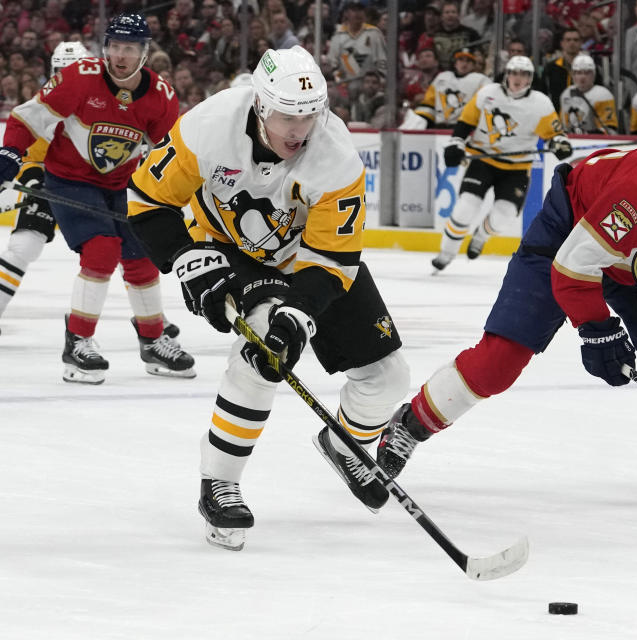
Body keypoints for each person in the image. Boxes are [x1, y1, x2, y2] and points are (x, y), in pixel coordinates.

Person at [377, 103, 637, 506]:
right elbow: (575, 265)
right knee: (500, 361)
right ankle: (409, 424)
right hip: (568, 237)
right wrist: (597, 328)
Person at [125, 46, 410, 551]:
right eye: (286, 115)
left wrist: (299, 316)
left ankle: (344, 443)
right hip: (228, 248)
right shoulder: (209, 126)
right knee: (259, 354)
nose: (298, 129)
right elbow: (148, 201)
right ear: (259, 105)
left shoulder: (336, 156)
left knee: (388, 376)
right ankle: (220, 482)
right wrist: (185, 257)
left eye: (308, 114)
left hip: (307, 255)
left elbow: (333, 261)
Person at [0, 13, 194, 384]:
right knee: (102, 249)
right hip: (69, 180)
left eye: (130, 48)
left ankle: (154, 341)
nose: (121, 56)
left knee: (140, 253)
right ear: (106, 48)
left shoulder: (161, 97)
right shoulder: (79, 78)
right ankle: (79, 341)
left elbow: (171, 155)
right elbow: (28, 118)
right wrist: (10, 154)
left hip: (124, 184)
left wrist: (178, 195)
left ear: (144, 52)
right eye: (115, 47)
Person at [431, 55, 572, 271]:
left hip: (516, 168)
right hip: (483, 159)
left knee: (504, 215)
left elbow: (555, 134)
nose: (518, 78)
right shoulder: (488, 93)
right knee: (465, 206)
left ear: (530, 78)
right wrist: (456, 143)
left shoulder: (541, 103)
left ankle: (481, 236)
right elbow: (466, 121)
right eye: (514, 72)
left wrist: (559, 144)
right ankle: (446, 252)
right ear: (507, 74)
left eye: (523, 74)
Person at [0, 42, 89, 330]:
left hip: (94, 187)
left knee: (124, 252)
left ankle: (153, 325)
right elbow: (30, 155)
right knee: (23, 246)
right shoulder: (45, 102)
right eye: (63, 71)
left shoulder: (103, 102)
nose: (68, 76)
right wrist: (32, 178)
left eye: (74, 70)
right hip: (50, 181)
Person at [414, 48, 490, 128]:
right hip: (439, 128)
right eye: (461, 60)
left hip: (466, 129)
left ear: (473, 65)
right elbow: (428, 103)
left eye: (468, 61)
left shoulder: (482, 80)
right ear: (455, 63)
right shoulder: (442, 77)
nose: (464, 64)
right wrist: (421, 122)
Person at [327, 1, 387, 98]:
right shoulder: (338, 36)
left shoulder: (374, 33)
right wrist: (339, 79)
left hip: (369, 84)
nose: (358, 13)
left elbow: (382, 62)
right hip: (345, 84)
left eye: (361, 10)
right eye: (354, 10)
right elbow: (332, 64)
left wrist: (380, 80)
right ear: (346, 13)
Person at [558, 53, 617, 134]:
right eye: (578, 73)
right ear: (573, 75)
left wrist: (587, 134)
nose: (582, 77)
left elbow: (610, 130)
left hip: (595, 142)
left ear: (593, 75)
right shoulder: (566, 94)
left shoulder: (603, 95)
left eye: (587, 73)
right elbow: (562, 125)